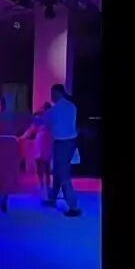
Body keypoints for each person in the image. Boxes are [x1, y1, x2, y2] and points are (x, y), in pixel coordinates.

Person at [42, 84, 82, 217]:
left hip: (61, 143)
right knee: (58, 172)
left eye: (52, 93)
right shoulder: (71, 106)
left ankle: (74, 207)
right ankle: (53, 198)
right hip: (71, 142)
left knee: (63, 175)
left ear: (57, 93)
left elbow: (44, 123)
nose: (51, 96)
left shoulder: (54, 110)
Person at [19, 102, 53, 200]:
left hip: (48, 142)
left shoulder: (53, 120)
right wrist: (22, 137)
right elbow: (31, 130)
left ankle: (47, 186)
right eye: (45, 109)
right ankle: (41, 184)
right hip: (40, 142)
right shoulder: (39, 119)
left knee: (46, 165)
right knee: (39, 164)